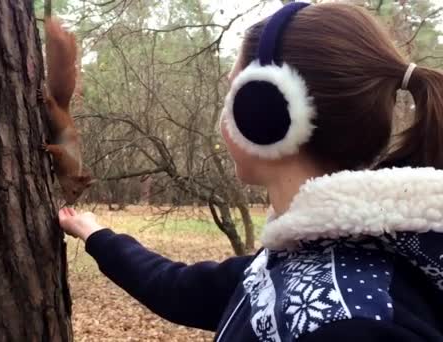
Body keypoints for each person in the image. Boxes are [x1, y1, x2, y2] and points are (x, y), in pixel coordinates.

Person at [58, 3, 443, 341]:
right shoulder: (308, 258)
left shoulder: (347, 325)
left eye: (233, 92)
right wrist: (97, 235)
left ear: (262, 111)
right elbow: (178, 288)